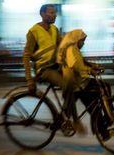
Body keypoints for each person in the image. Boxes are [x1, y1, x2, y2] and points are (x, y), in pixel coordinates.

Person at [22, 4, 85, 135]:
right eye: (51, 12)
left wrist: (76, 42)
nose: (54, 15)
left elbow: (64, 46)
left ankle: (63, 117)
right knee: (67, 84)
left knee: (76, 82)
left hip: (56, 67)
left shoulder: (54, 30)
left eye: (55, 13)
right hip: (43, 70)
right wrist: (29, 80)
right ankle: (74, 120)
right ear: (42, 14)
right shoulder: (33, 32)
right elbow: (26, 56)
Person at [57, 29, 112, 140]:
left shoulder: (75, 49)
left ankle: (107, 120)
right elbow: (76, 66)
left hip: (80, 81)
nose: (83, 43)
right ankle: (104, 127)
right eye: (82, 41)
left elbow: (81, 62)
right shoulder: (71, 49)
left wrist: (92, 66)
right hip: (76, 84)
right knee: (96, 101)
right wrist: (89, 71)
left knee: (102, 91)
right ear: (77, 40)